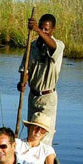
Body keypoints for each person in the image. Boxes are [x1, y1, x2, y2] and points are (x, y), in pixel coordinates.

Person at [16, 13, 65, 144]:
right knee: (32, 137)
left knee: (43, 138)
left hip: (47, 99)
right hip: (33, 97)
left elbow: (52, 46)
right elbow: (25, 69)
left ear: (52, 30)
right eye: (41, 28)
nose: (43, 31)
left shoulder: (58, 45)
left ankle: (45, 162)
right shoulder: (32, 46)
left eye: (46, 29)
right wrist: (22, 82)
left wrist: (37, 29)